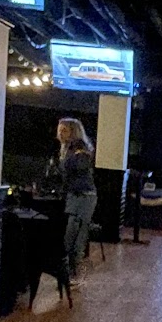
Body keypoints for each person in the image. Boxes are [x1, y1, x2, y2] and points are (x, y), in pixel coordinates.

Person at [53, 116, 97, 273]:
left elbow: (78, 167)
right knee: (71, 231)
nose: (60, 134)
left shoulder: (80, 148)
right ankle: (67, 267)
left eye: (64, 131)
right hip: (73, 194)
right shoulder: (66, 149)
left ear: (73, 132)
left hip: (85, 195)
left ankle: (73, 268)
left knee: (76, 231)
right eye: (59, 130)